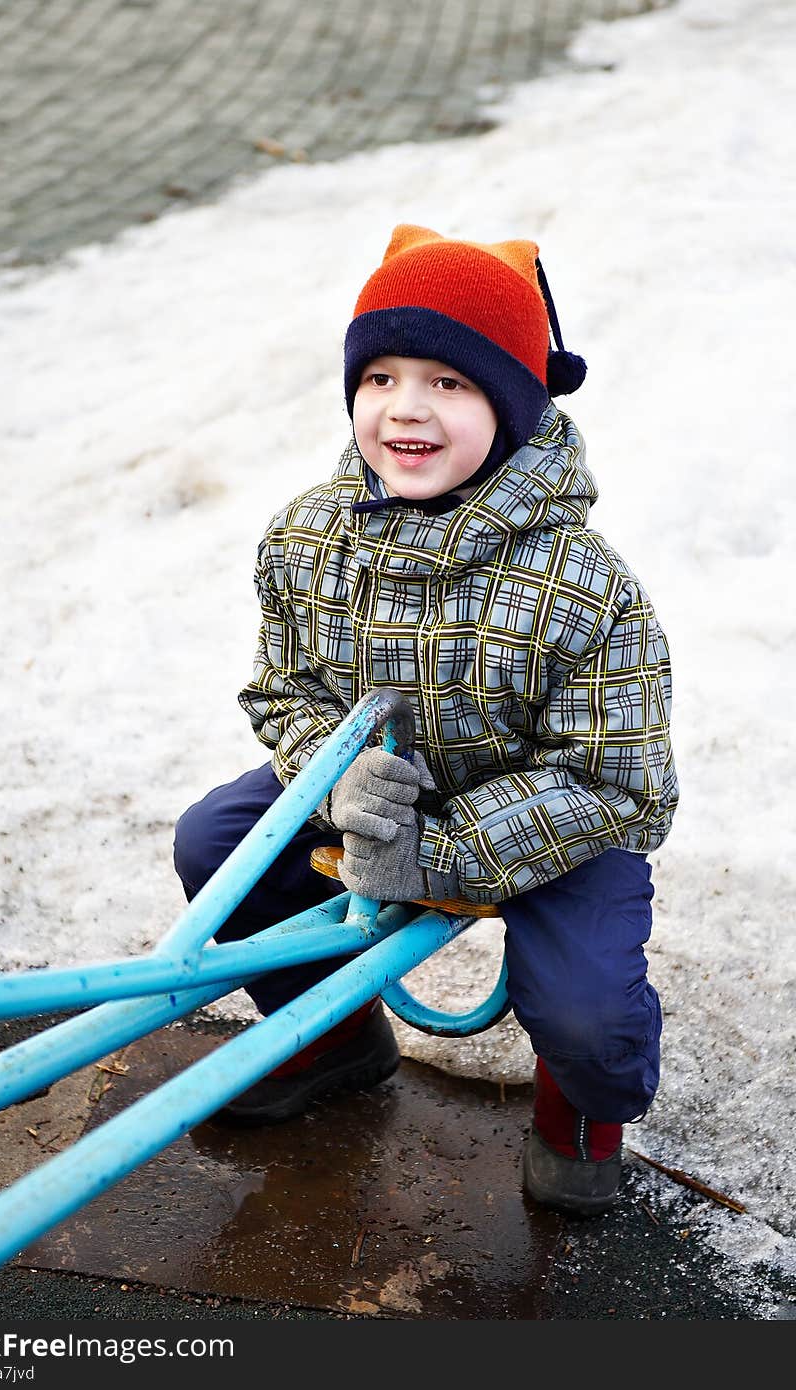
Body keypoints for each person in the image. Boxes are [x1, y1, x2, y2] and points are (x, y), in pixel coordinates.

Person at [173, 224, 678, 1216]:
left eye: (448, 383)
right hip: (374, 799)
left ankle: (580, 1108)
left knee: (589, 1015)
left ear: (515, 403)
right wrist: (336, 773)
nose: (404, 408)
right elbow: (284, 692)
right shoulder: (309, 536)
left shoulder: (585, 585)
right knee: (215, 845)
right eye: (380, 378)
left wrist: (437, 855)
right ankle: (328, 1036)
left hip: (545, 821)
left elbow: (618, 785)